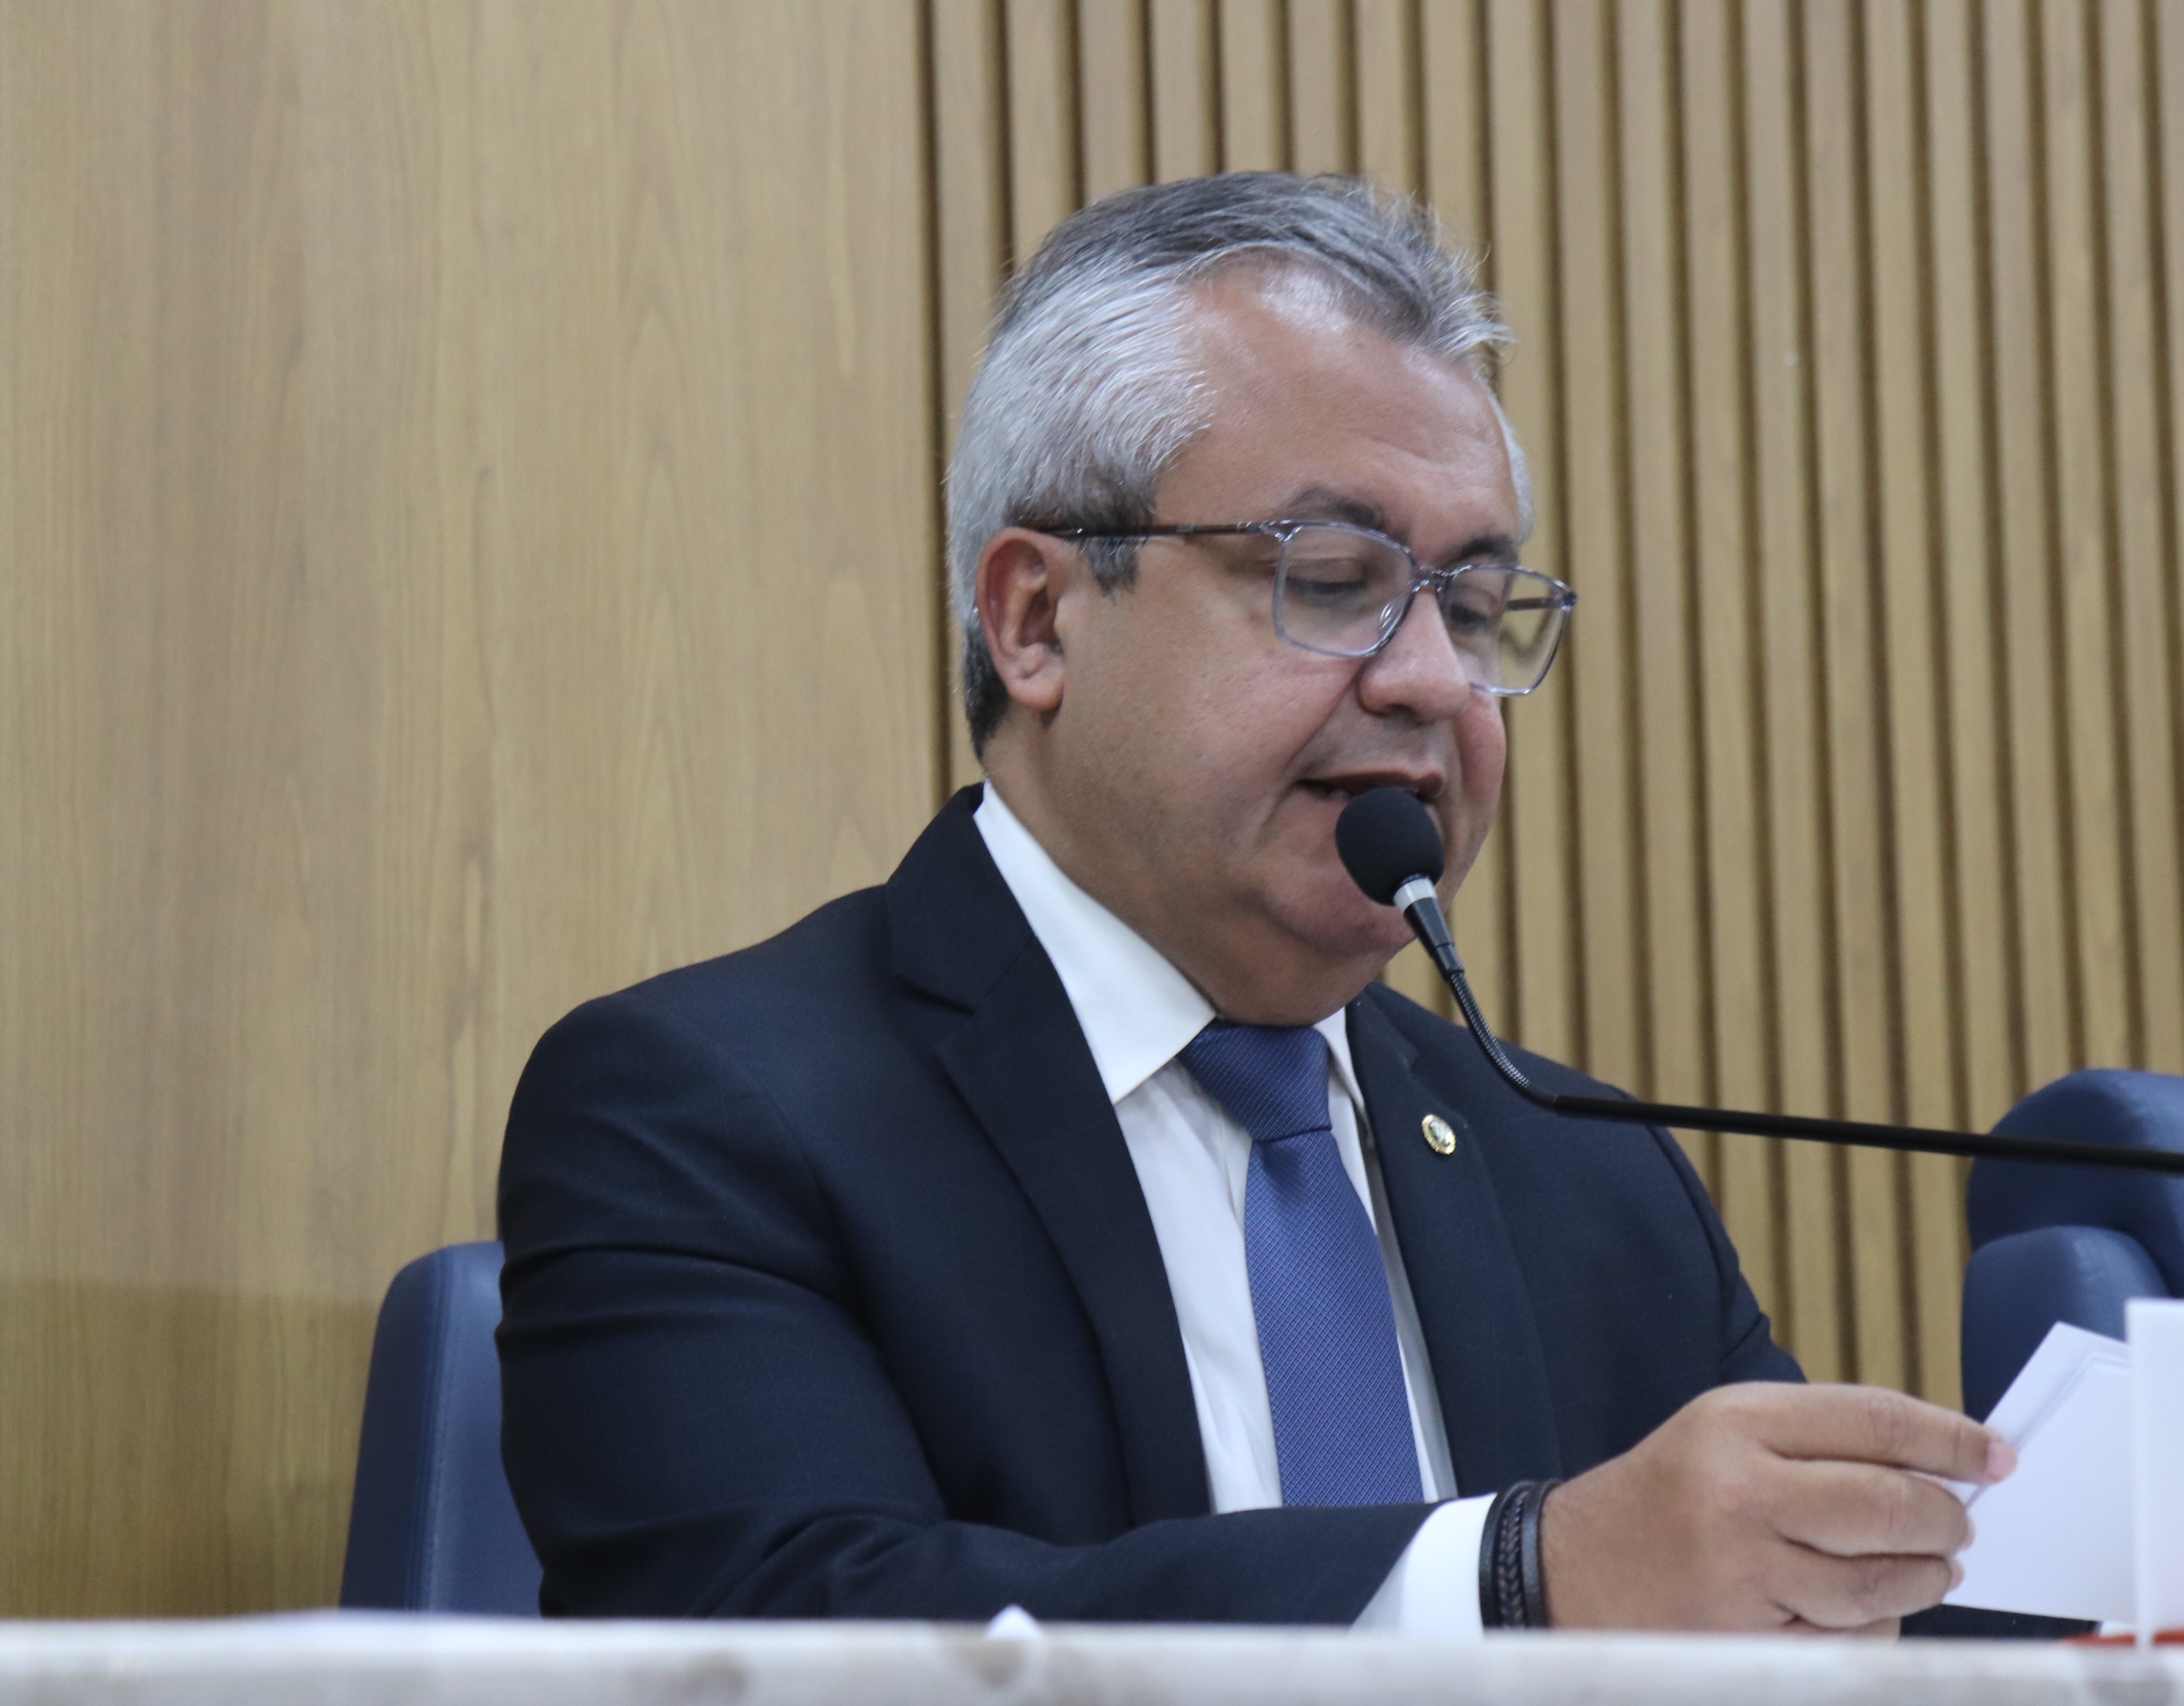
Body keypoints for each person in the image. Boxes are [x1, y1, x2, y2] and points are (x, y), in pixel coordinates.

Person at [496, 172, 2017, 1631]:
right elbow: (794, 1639)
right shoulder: (707, 1114)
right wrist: (1509, 1585)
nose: (1433, 681)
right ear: (1037, 618)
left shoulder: (1588, 1178)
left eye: (1472, 607)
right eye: (1334, 578)